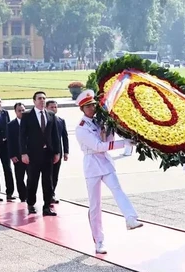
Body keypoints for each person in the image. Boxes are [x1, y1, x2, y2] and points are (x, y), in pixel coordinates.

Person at [75, 89, 143, 254]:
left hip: (105, 163)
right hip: (92, 164)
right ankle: (99, 241)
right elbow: (98, 146)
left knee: (117, 189)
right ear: (82, 109)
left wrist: (110, 130)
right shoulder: (81, 128)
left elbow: (107, 141)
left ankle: (130, 218)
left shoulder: (99, 122)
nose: (92, 108)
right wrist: (124, 143)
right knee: (95, 205)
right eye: (88, 106)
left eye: (92, 105)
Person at [20, 91, 60, 216]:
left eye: (43, 98)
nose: (42, 100)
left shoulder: (50, 115)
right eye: (39, 98)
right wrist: (23, 153)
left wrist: (57, 152)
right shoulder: (27, 115)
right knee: (32, 180)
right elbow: (22, 136)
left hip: (48, 154)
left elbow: (55, 135)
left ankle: (47, 206)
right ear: (34, 101)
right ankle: (31, 203)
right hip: (33, 155)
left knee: (48, 181)